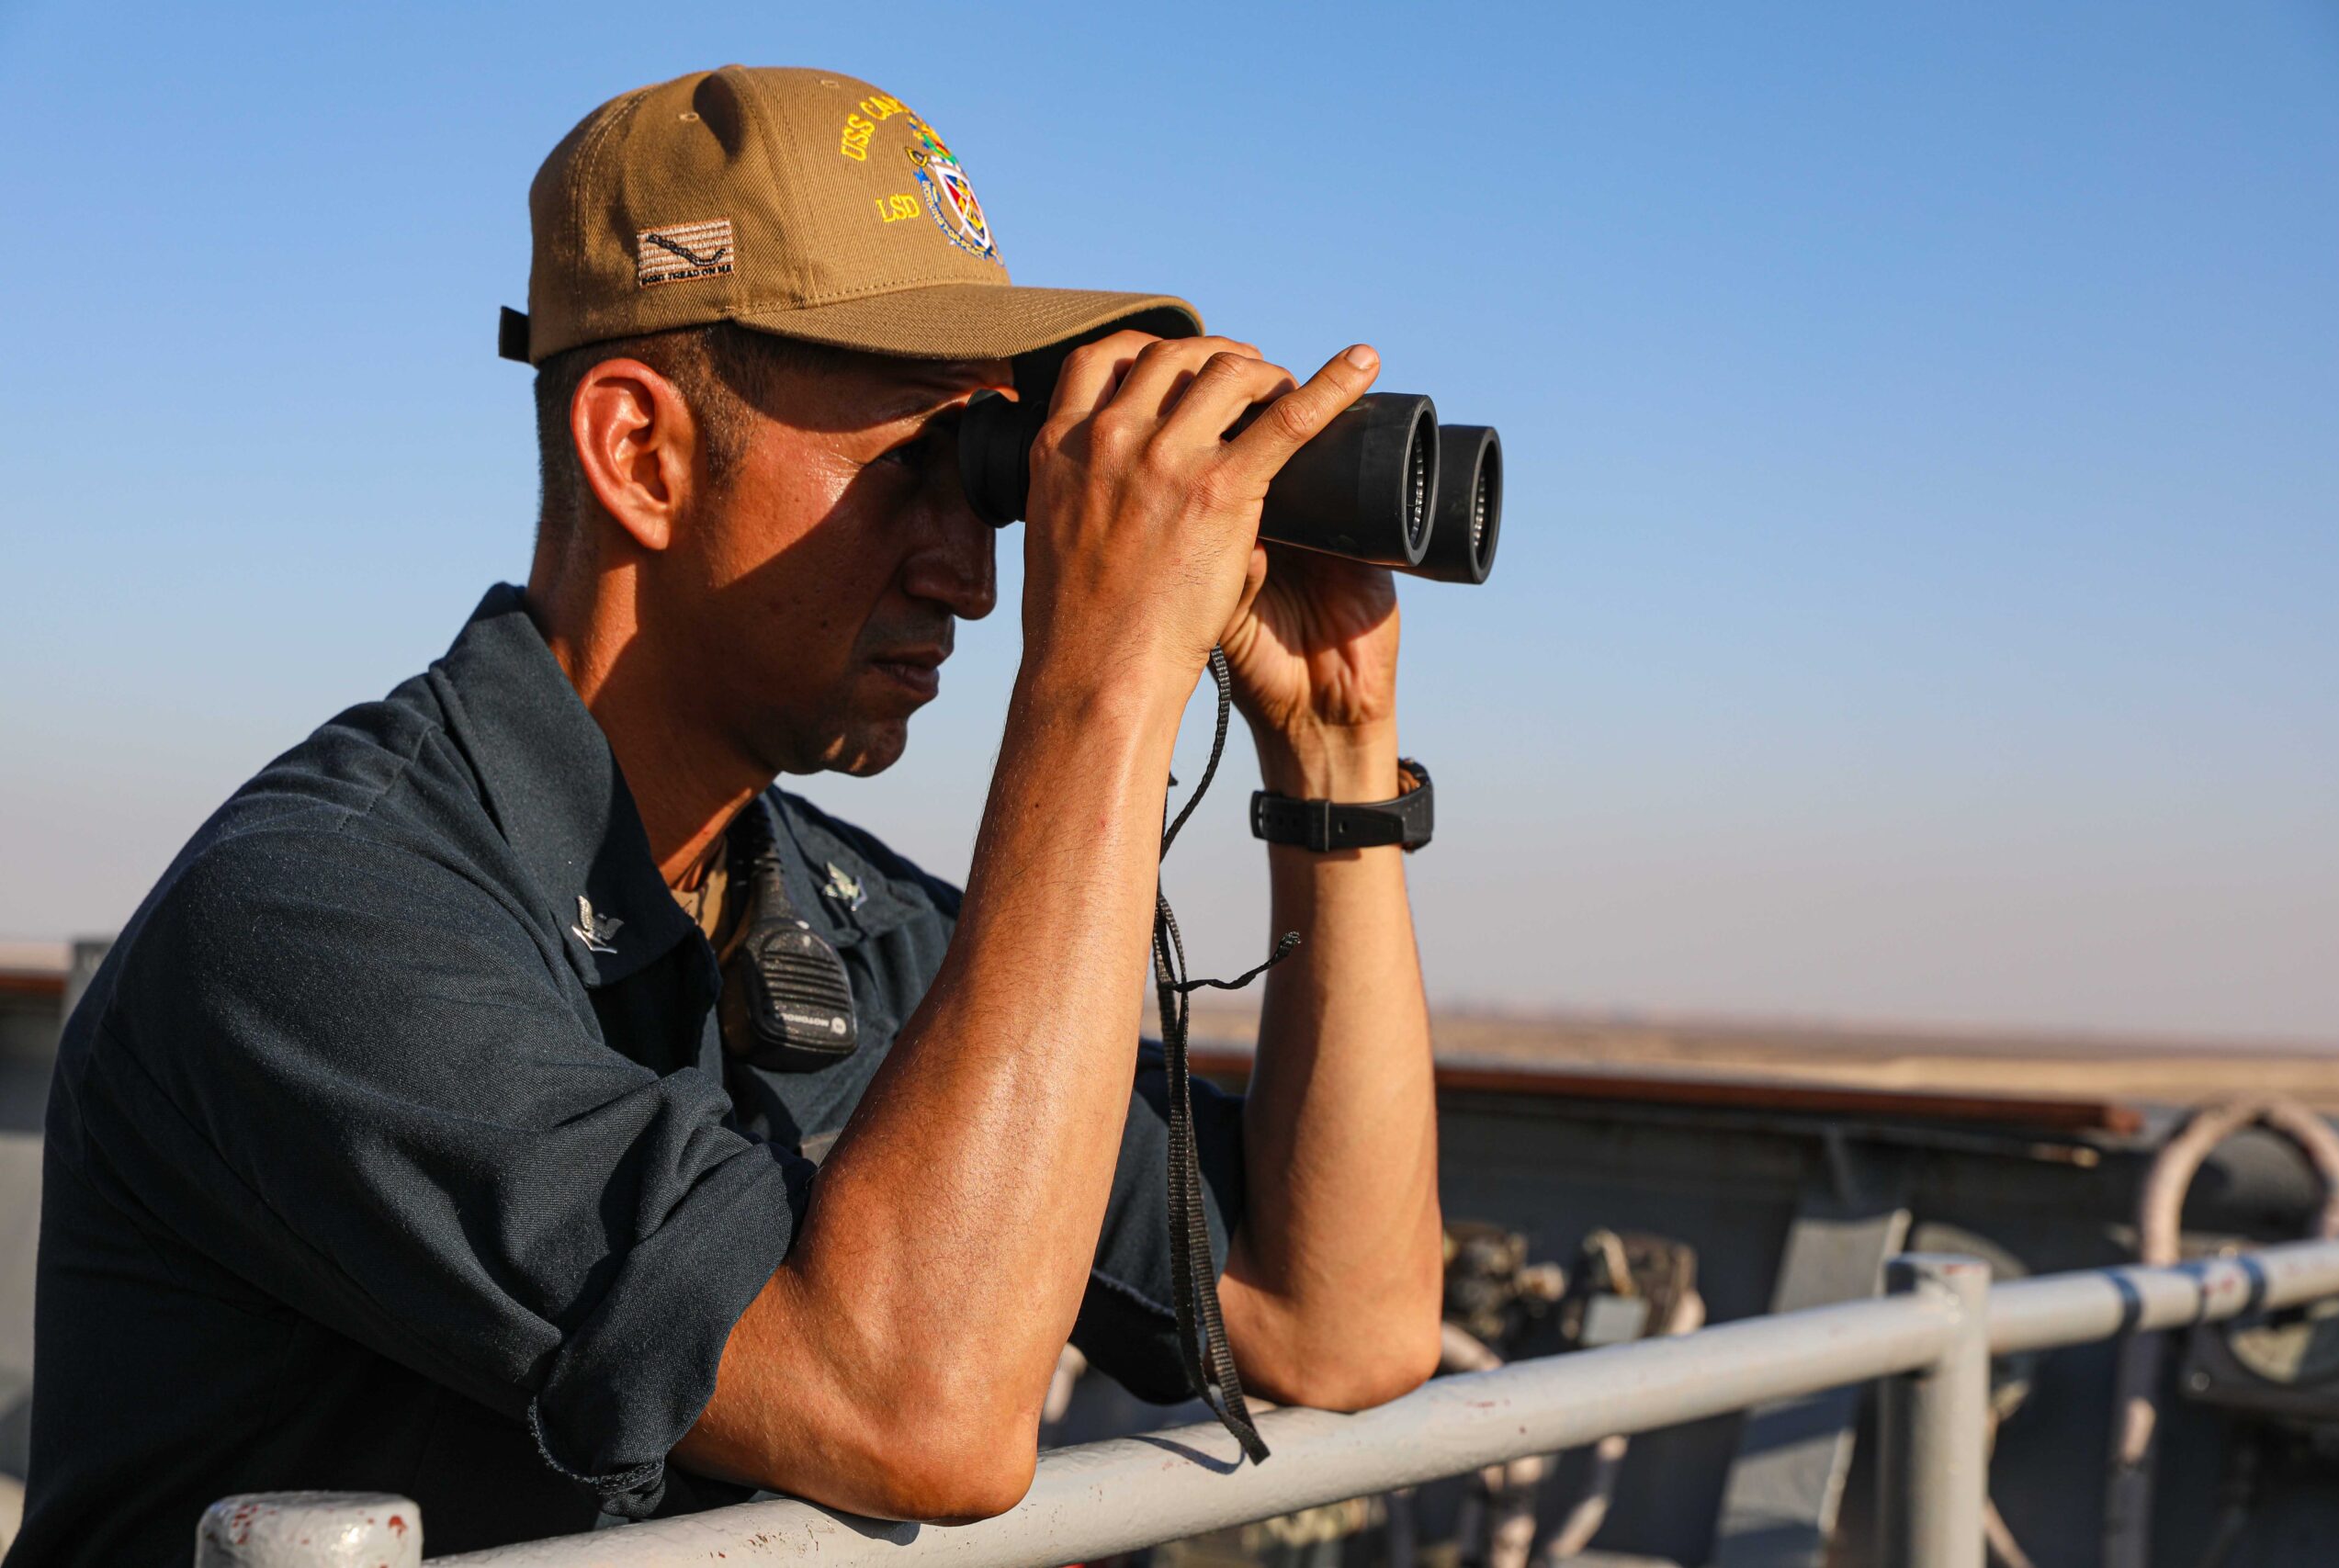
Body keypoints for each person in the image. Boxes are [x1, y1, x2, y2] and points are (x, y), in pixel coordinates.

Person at [17, 65, 1441, 1565]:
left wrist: (1336, 757)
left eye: (998, 479)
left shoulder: (849, 928)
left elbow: (1332, 1321)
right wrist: (1104, 677)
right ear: (641, 454)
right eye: (917, 464)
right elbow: (914, 1410)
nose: (972, 568)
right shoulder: (321, 920)